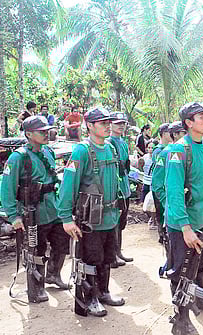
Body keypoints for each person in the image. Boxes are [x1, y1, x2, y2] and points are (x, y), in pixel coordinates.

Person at [57, 107, 125, 317]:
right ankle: (90, 298)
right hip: (91, 220)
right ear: (90, 125)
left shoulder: (111, 148)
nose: (107, 126)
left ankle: (103, 292)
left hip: (110, 216)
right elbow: (68, 185)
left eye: (108, 122)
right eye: (102, 123)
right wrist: (67, 218)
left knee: (107, 258)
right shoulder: (82, 151)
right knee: (91, 260)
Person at [164, 102, 203, 335]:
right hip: (182, 224)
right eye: (202, 117)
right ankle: (181, 320)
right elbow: (174, 192)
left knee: (200, 262)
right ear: (188, 122)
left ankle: (198, 299)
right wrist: (185, 228)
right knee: (182, 270)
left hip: (199, 220)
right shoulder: (178, 150)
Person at [1, 115, 70, 303]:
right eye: (42, 131)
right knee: (36, 251)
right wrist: (14, 216)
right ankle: (37, 287)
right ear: (29, 134)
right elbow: (6, 189)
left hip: (53, 207)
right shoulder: (18, 157)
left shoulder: (48, 152)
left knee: (63, 242)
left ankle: (53, 275)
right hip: (33, 212)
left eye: (47, 131)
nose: (46, 134)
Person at [107, 112, 134, 267]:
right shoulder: (110, 142)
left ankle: (119, 252)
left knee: (121, 221)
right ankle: (112, 254)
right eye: (117, 124)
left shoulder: (122, 142)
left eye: (123, 123)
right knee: (114, 222)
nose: (121, 126)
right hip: (116, 188)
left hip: (124, 185)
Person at [152, 122, 184, 244]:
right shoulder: (165, 153)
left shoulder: (189, 151)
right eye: (183, 133)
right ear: (175, 135)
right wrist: (166, 200)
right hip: (168, 200)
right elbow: (157, 182)